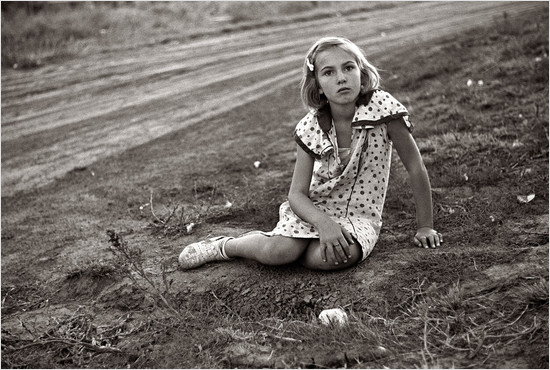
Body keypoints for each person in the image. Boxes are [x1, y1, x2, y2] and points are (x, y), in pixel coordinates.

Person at [179, 36, 443, 271]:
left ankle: (300, 250)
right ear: (317, 86)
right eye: (328, 72)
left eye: (348, 68)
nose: (341, 77)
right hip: (315, 209)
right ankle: (226, 245)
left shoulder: (383, 109)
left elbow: (415, 167)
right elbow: (296, 193)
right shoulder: (310, 127)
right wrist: (323, 224)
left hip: (359, 217)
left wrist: (425, 226)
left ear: (361, 75)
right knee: (278, 252)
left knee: (335, 257)